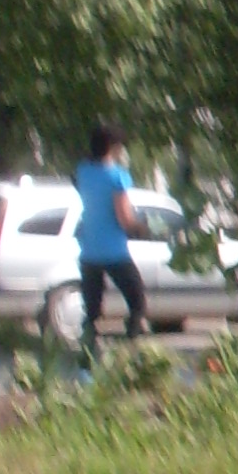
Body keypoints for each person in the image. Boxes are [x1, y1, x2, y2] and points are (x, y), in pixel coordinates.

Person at [72, 123, 147, 346]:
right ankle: (131, 346)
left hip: (89, 250)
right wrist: (142, 227)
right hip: (114, 251)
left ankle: (87, 350)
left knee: (92, 310)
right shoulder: (117, 176)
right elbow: (124, 218)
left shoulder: (83, 171)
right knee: (137, 302)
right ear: (113, 147)